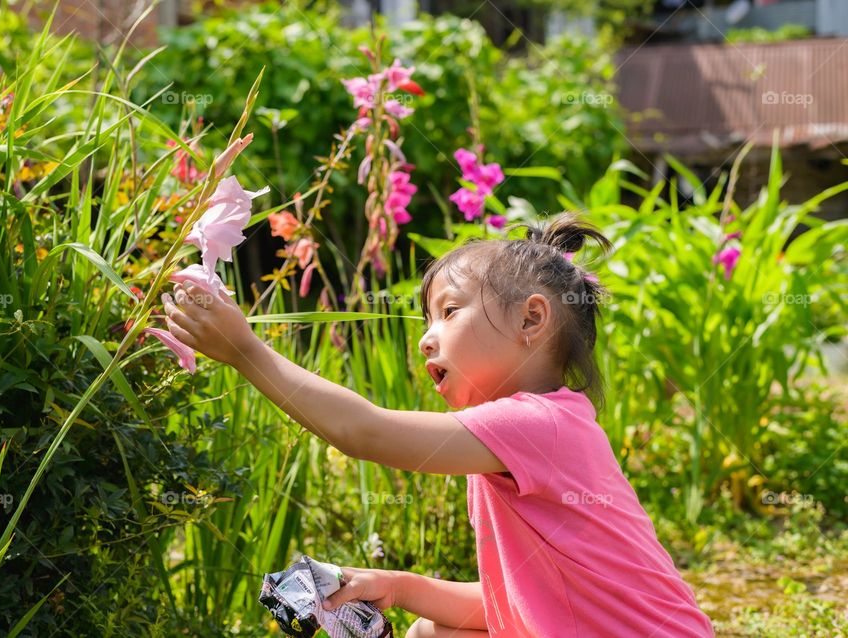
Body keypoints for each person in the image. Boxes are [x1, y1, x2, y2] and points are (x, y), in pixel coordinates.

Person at [164, 212, 715, 637]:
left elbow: (364, 432)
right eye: (428, 320)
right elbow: (516, 600)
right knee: (431, 631)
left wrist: (244, 350)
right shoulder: (519, 439)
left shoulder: (536, 423)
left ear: (531, 319)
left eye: (449, 312)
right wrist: (398, 586)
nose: (427, 337)